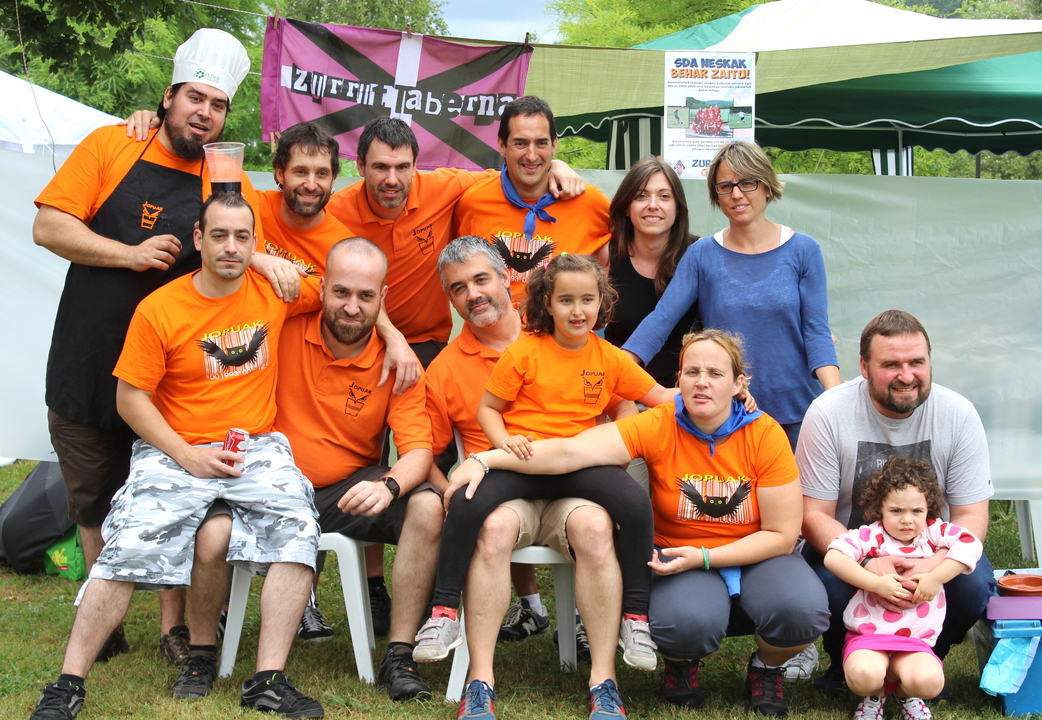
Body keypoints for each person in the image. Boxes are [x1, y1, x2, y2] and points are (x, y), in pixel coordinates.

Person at [29, 194, 325, 720]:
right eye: (219, 235)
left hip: (254, 447)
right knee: (126, 546)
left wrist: (392, 337)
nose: (230, 247)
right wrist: (187, 455)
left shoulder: (274, 290)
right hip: (175, 450)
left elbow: (345, 292)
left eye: (242, 237)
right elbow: (130, 399)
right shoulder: (160, 308)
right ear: (198, 239)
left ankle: (268, 681)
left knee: (299, 532)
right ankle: (67, 686)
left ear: (255, 244)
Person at [31, 27, 261, 668]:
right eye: (195, 98)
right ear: (168, 97)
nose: (205, 113)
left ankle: (172, 627)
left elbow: (242, 245)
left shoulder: (223, 174)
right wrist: (129, 255)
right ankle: (102, 614)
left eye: (217, 105)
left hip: (175, 378)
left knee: (175, 497)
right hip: (88, 356)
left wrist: (268, 262)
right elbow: (48, 225)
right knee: (91, 496)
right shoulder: (112, 144)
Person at [450, 329, 829, 717]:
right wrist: (484, 460)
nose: (702, 382)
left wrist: (706, 556)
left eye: (715, 373)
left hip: (757, 553)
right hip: (677, 553)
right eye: (692, 371)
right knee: (681, 625)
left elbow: (782, 535)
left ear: (738, 384)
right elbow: (569, 451)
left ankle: (766, 667)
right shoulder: (659, 422)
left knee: (803, 611)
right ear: (678, 380)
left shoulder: (764, 433)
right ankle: (681, 661)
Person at [415, 253, 675, 720]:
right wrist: (502, 444)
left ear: (602, 303)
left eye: (588, 300)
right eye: (566, 300)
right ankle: (444, 614)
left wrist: (715, 392)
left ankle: (635, 619)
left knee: (635, 503)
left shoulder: (610, 358)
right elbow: (489, 409)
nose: (578, 311)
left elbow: (661, 399)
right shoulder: (524, 352)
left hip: (577, 467)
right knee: (467, 502)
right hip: (524, 463)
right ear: (547, 304)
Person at [274, 238, 442, 702]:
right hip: (273, 488)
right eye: (342, 292)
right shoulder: (282, 325)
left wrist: (389, 486)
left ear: (382, 298)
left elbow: (418, 452)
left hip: (343, 493)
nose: (352, 307)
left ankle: (400, 654)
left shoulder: (398, 363)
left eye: (366, 296)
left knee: (428, 505)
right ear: (322, 287)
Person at [798, 309, 995, 693]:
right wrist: (869, 565)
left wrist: (935, 566)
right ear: (864, 367)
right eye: (891, 365)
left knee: (974, 585)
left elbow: (972, 515)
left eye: (917, 362)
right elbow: (813, 515)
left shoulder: (958, 414)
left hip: (932, 547)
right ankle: (846, 662)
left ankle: (924, 659)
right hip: (853, 546)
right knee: (830, 584)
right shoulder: (828, 413)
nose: (907, 376)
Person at [622, 140, 840, 450]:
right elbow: (661, 321)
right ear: (716, 195)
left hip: (797, 414)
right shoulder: (701, 255)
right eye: (725, 186)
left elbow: (817, 332)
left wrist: (835, 402)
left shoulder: (804, 250)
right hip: (728, 414)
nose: (737, 194)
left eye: (747, 182)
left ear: (766, 186)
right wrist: (611, 368)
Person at [325, 116, 584, 369]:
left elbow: (509, 176)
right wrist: (390, 335)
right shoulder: (334, 212)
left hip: (427, 341)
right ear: (361, 166)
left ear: (415, 166)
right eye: (380, 167)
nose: (392, 179)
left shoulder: (442, 187)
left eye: (402, 167)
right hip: (358, 333)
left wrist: (554, 165)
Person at [824, 456, 983, 720]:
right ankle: (873, 695)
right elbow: (833, 556)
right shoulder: (872, 535)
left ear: (928, 509)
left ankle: (905, 693)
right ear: (880, 509)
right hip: (869, 637)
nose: (907, 520)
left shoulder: (933, 533)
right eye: (896, 511)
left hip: (915, 641)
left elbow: (971, 543)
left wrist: (936, 577)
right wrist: (875, 583)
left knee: (929, 683)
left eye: (916, 511)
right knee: (863, 676)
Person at [453, 96, 612, 303]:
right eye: (520, 143)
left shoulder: (589, 202)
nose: (531, 155)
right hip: (496, 323)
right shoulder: (473, 203)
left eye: (541, 143)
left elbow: (632, 249)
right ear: (502, 145)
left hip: (561, 324)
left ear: (554, 145)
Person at [604, 155, 700, 387]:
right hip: (620, 390)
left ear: (678, 208)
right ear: (627, 207)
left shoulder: (699, 254)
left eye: (664, 196)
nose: (653, 205)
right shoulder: (606, 255)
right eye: (641, 196)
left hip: (685, 394)